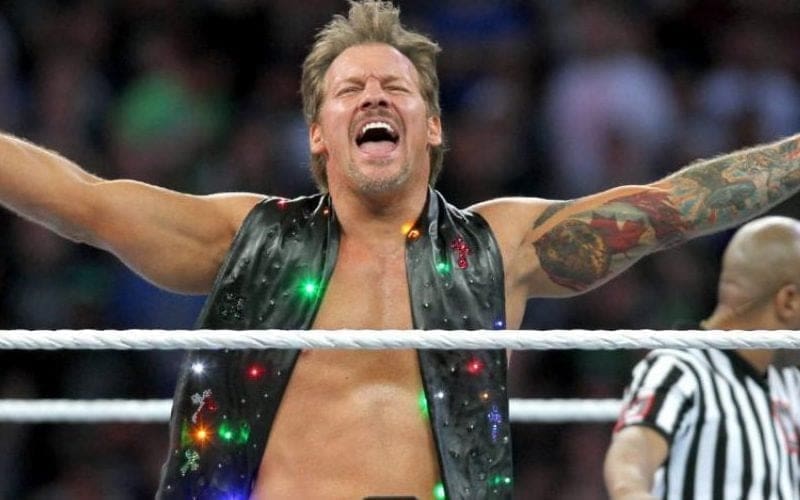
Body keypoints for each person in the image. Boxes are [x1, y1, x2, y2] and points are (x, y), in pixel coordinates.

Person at [1, 1, 800, 498]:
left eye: (396, 89)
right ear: (319, 134)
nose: (374, 97)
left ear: (433, 125)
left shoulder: (500, 246)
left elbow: (669, 209)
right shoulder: (245, 237)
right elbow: (81, 203)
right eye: (350, 90)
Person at [603, 216, 800, 499]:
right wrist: (630, 491)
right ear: (788, 301)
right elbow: (633, 453)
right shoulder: (680, 369)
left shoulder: (789, 383)